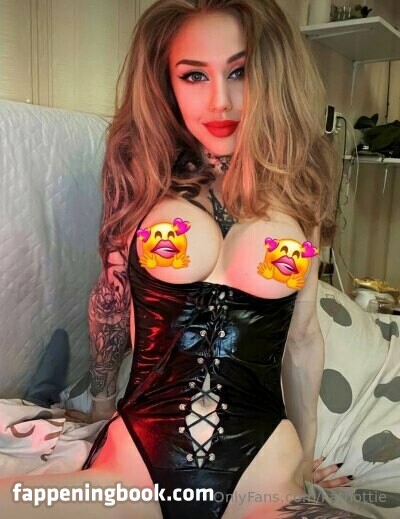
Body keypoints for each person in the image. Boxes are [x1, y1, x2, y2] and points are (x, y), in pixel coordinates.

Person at [1, 1, 367, 518]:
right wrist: (100, 410)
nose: (220, 100)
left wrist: (304, 462)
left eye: (239, 71)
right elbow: (112, 298)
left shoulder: (300, 189)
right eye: (194, 75)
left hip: (263, 468)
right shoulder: (140, 176)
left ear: (273, 74)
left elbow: (303, 338)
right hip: (137, 459)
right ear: (166, 84)